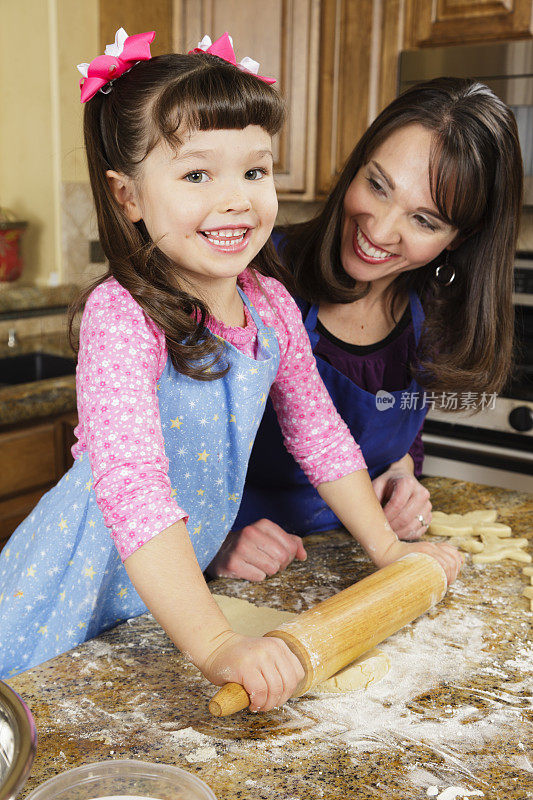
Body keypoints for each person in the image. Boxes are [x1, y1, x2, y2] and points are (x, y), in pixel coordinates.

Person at [0, 32, 462, 707]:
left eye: (253, 171)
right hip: (82, 580)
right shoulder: (122, 317)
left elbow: (322, 438)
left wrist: (390, 552)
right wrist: (218, 644)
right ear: (126, 195)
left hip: (174, 592)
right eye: (196, 175)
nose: (238, 199)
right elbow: (133, 493)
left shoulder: (270, 305)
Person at [209, 77, 523, 583]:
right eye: (377, 185)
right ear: (356, 164)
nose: (378, 230)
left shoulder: (436, 315)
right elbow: (143, 453)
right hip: (214, 579)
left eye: (424, 219)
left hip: (343, 564)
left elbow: (394, 438)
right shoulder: (255, 278)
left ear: (458, 238)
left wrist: (400, 477)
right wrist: (211, 544)